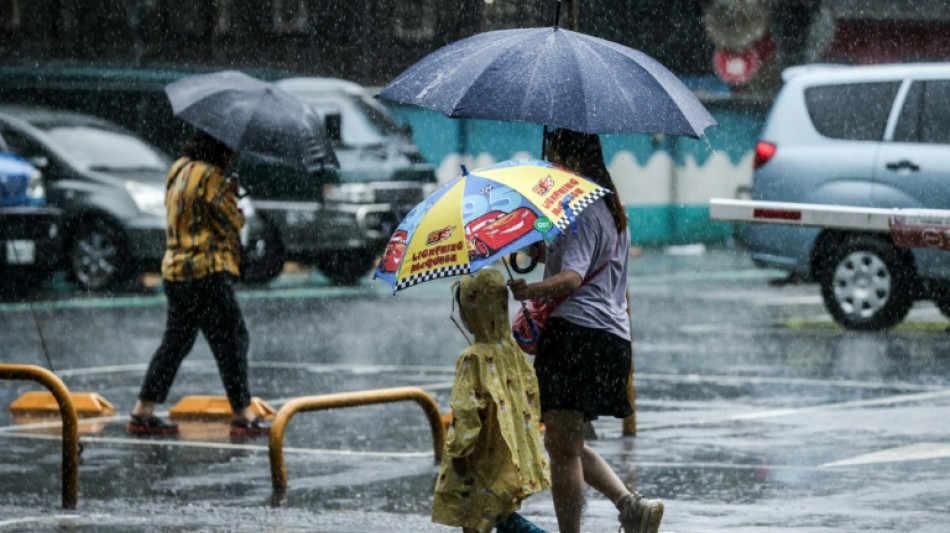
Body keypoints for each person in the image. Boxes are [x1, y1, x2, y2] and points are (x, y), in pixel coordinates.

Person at [507, 128, 664, 533]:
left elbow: (574, 278)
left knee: (562, 450)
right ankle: (630, 507)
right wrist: (544, 250)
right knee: (567, 443)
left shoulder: (580, 208)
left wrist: (530, 290)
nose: (553, 166)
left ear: (571, 159)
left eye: (556, 157)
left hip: (576, 334)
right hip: (610, 338)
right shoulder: (612, 206)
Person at [126, 130, 270, 437]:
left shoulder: (179, 168)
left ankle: (144, 409)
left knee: (176, 342)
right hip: (206, 270)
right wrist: (234, 195)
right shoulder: (213, 178)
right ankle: (243, 413)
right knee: (232, 339)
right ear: (222, 148)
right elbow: (231, 222)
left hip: (176, 271)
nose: (237, 155)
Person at [432, 269, 550, 533]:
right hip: (508, 452)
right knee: (500, 513)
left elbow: (467, 410)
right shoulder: (511, 350)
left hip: (480, 455)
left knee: (473, 517)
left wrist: (460, 450)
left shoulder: (473, 358)